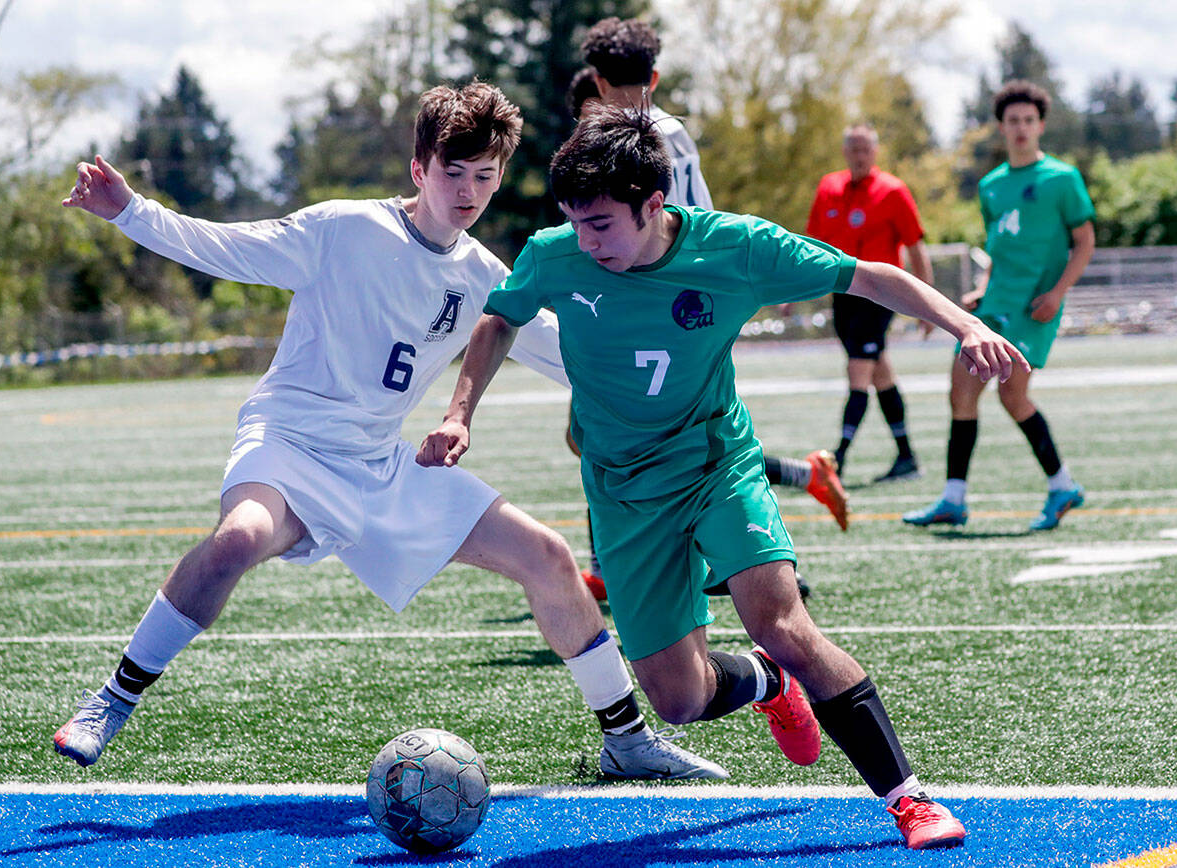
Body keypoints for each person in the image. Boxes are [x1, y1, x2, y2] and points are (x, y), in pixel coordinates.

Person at [51, 82, 724, 782]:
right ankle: (111, 700)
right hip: (289, 444)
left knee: (549, 556)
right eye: (452, 173)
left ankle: (628, 741)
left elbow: (570, 352)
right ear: (419, 170)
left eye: (485, 177)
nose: (468, 192)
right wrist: (129, 211)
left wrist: (673, 375)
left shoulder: (481, 276)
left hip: (380, 466)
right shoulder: (343, 229)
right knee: (239, 539)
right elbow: (228, 248)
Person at [420, 105, 1031, 850]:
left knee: (783, 622)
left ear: (655, 204)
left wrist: (965, 326)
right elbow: (499, 319)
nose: (587, 241)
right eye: (576, 223)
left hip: (716, 463)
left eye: (603, 224)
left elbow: (867, 275)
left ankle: (908, 798)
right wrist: (459, 413)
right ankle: (768, 683)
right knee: (677, 700)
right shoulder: (555, 255)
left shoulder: (736, 249)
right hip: (622, 492)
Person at [571, 20, 845, 609]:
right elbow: (701, 218)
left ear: (596, 81)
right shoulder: (669, 129)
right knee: (652, 432)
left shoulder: (630, 140)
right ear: (657, 75)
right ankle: (755, 531)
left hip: (654, 303)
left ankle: (703, 559)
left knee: (624, 431)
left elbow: (656, 230)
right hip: (690, 296)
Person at [904, 80, 1095, 532]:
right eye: (1014, 121)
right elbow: (999, 250)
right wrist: (983, 290)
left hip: (1034, 308)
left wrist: (1058, 293)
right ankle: (954, 498)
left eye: (1029, 120)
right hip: (994, 305)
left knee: (1013, 395)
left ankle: (1062, 485)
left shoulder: (1062, 179)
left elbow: (1085, 242)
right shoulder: (991, 186)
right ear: (1002, 127)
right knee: (960, 390)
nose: (1022, 128)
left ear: (1041, 124)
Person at [804, 123, 933, 483]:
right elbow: (810, 246)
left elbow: (916, 248)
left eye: (866, 149)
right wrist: (795, 292)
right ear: (845, 151)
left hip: (878, 296)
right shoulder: (829, 188)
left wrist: (926, 303)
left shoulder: (893, 191)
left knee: (858, 373)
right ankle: (906, 456)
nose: (860, 155)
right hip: (843, 295)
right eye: (854, 148)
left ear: (874, 152)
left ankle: (837, 461)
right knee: (880, 372)